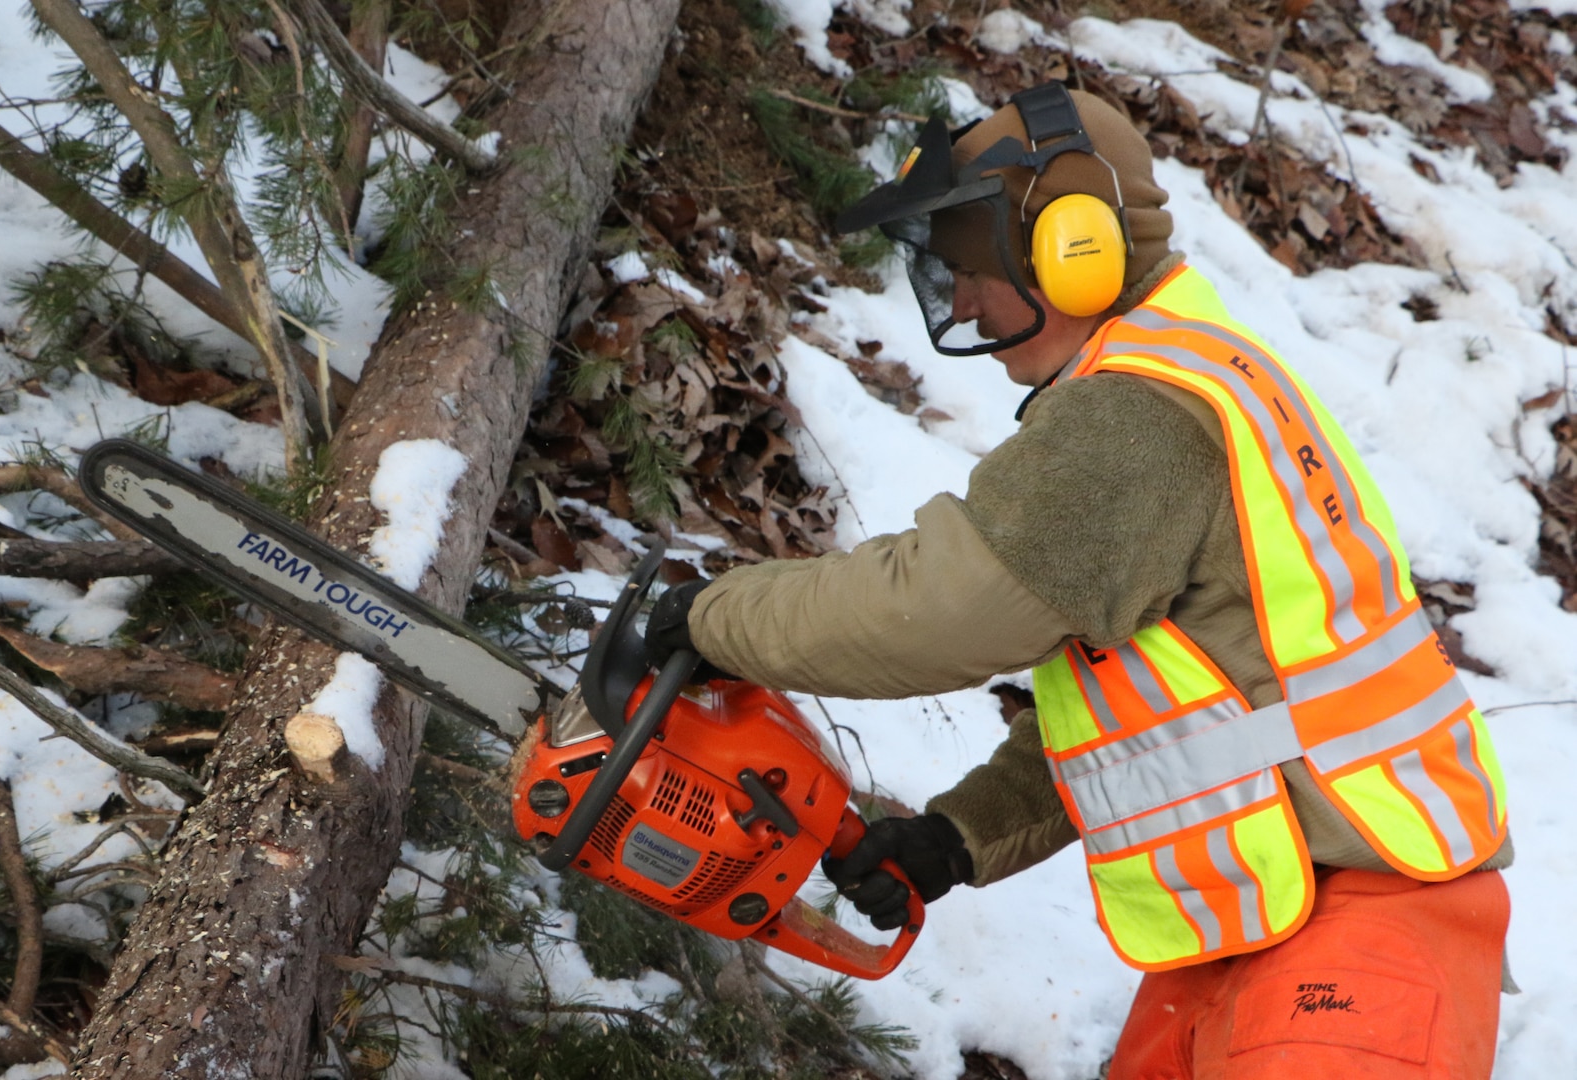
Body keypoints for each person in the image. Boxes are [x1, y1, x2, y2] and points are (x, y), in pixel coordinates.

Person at [645, 82, 1513, 1079]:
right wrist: (957, 837)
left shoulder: (1137, 414)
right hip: (1268, 919)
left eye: (970, 265)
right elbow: (1168, 722)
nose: (962, 299)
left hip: (1358, 928)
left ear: (1074, 247)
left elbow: (936, 611)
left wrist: (711, 619)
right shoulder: (1187, 375)